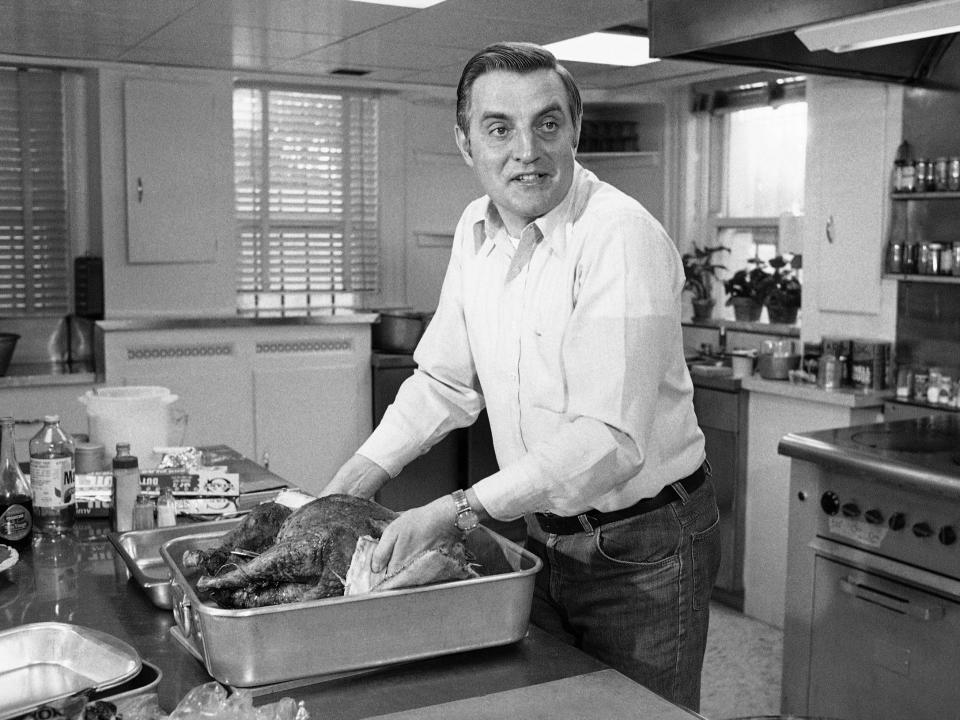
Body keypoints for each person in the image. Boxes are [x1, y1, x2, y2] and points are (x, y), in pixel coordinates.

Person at [324, 41, 721, 711]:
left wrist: (457, 509)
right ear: (465, 141)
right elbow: (444, 381)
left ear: (574, 130)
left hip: (646, 548)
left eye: (547, 123)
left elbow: (608, 441)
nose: (526, 150)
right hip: (546, 534)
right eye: (498, 127)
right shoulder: (475, 231)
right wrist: (355, 479)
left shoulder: (618, 237)